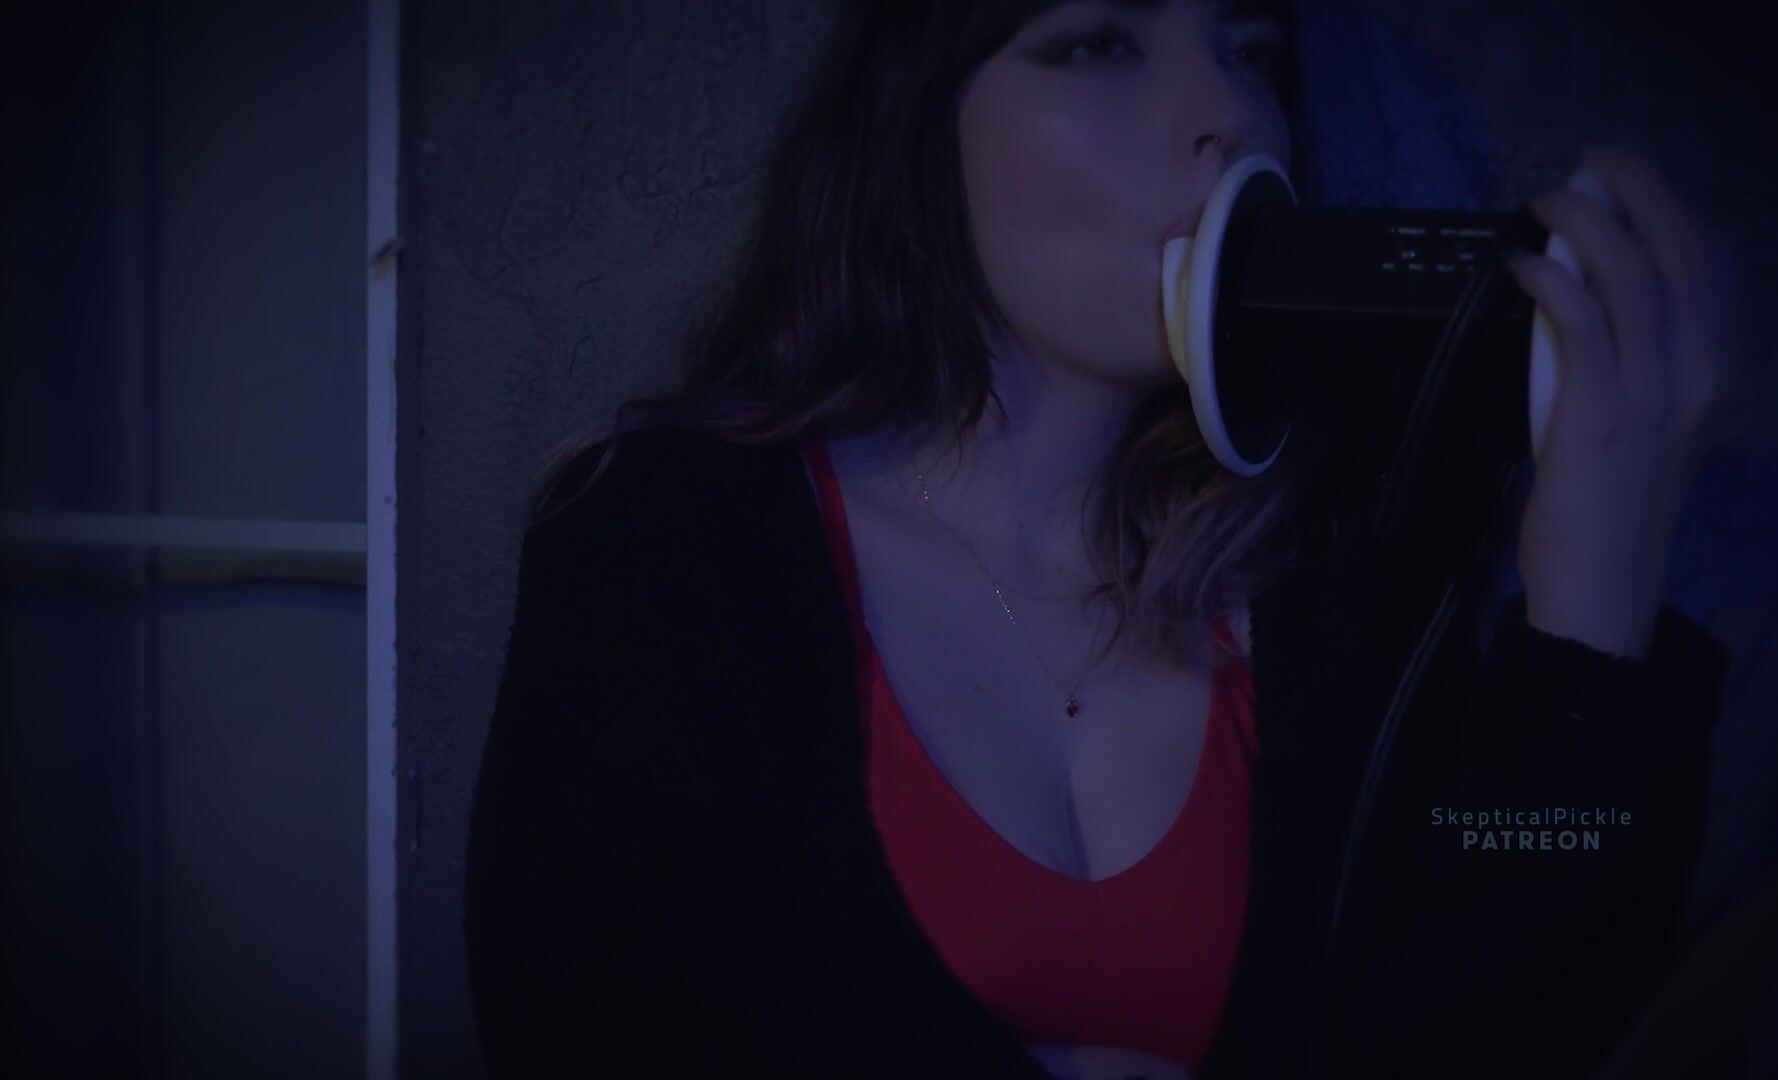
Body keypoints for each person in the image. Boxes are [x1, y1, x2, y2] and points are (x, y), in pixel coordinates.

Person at [462, 1, 1746, 1076]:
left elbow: (1516, 1005)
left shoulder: (1340, 575)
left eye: (1249, 50)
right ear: (918, 128)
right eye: (1096, 42)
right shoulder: (669, 544)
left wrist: (1594, 594)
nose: (1228, 112)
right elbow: (596, 1025)